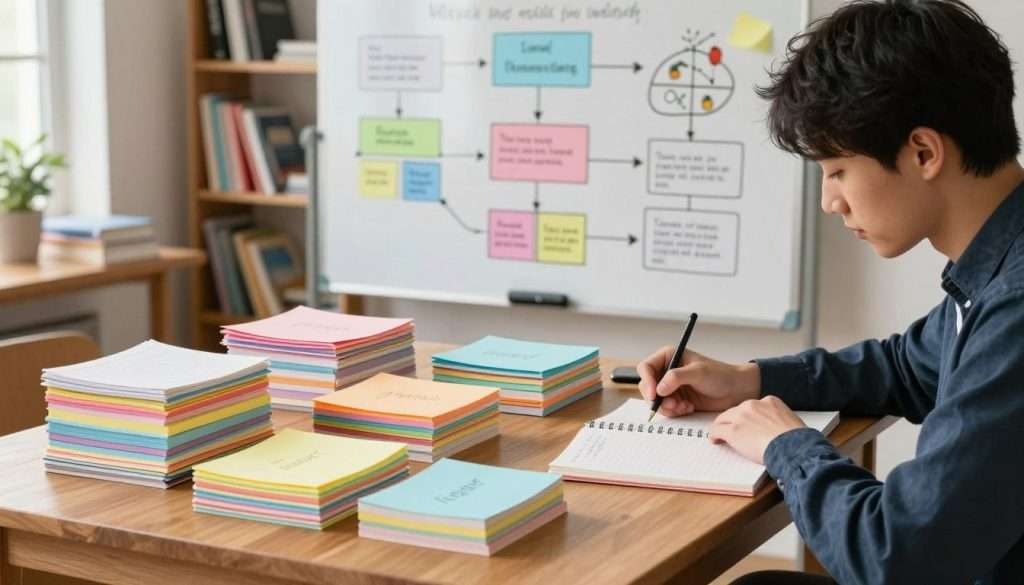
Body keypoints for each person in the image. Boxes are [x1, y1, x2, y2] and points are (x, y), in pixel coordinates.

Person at [637, 1, 1024, 584]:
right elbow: (907, 367)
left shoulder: (1015, 302)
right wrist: (750, 379)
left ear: (923, 152)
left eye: (837, 170)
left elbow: (896, 555)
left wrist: (788, 444)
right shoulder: (999, 263)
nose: (830, 201)